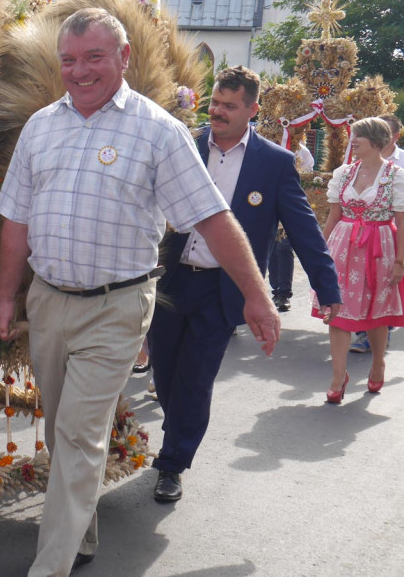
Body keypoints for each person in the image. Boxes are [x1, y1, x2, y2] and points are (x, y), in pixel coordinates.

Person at [0, 9, 281, 576]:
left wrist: (257, 294)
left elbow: (212, 217)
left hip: (116, 306)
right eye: (69, 60)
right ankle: (80, 538)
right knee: (60, 427)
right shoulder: (40, 127)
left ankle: (49, 567)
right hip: (48, 301)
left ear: (123, 57)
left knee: (79, 433)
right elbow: (15, 221)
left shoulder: (159, 132)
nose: (79, 71)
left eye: (94, 57)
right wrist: (7, 296)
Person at [148, 66, 341, 504]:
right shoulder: (185, 144)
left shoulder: (274, 163)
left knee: (195, 379)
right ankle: (175, 428)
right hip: (170, 281)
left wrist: (326, 287)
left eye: (229, 106)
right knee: (165, 371)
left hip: (223, 289)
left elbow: (304, 230)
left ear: (252, 110)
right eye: (215, 103)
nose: (217, 111)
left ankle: (173, 461)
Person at [314, 117, 404, 403]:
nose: (352, 142)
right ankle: (338, 376)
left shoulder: (396, 176)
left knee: (376, 312)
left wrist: (400, 261)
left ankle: (378, 363)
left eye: (358, 137)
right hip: (343, 246)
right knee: (336, 309)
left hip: (380, 248)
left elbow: (402, 222)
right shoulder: (343, 173)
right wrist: (319, 253)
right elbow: (333, 216)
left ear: (376, 141)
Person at [350, 113, 402, 353]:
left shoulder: (399, 168)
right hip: (358, 236)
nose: (354, 140)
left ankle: (380, 333)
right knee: (359, 286)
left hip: (387, 233)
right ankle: (362, 333)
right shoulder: (351, 168)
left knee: (382, 286)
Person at [269, 142, 316, 311]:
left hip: (289, 203)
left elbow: (308, 176)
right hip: (268, 201)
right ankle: (276, 290)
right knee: (272, 247)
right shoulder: (265, 144)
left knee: (284, 247)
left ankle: (284, 293)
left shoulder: (301, 150)